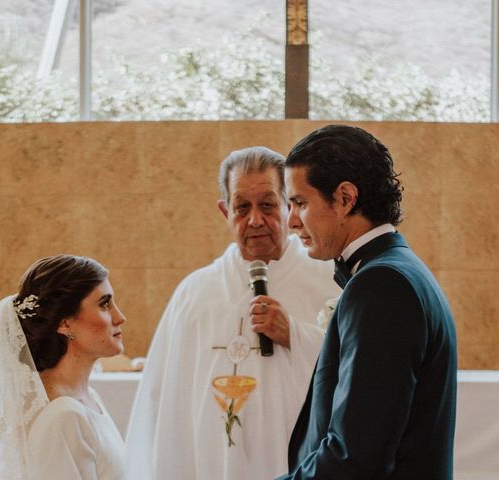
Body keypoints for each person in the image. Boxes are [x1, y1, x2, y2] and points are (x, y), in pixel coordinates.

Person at [125, 146, 340, 480]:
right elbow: (163, 403)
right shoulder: (195, 294)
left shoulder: (328, 281)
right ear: (225, 211)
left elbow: (359, 377)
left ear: (289, 206)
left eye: (267, 205)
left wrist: (295, 335)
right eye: (242, 207)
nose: (254, 220)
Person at [279, 124, 457, 479]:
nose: (291, 222)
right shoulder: (399, 269)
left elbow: (355, 458)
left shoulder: (382, 285)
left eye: (300, 203)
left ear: (345, 197)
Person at [0, 254, 128, 480]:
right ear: (64, 323)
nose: (120, 317)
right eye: (104, 304)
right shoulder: (63, 416)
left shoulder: (88, 398)